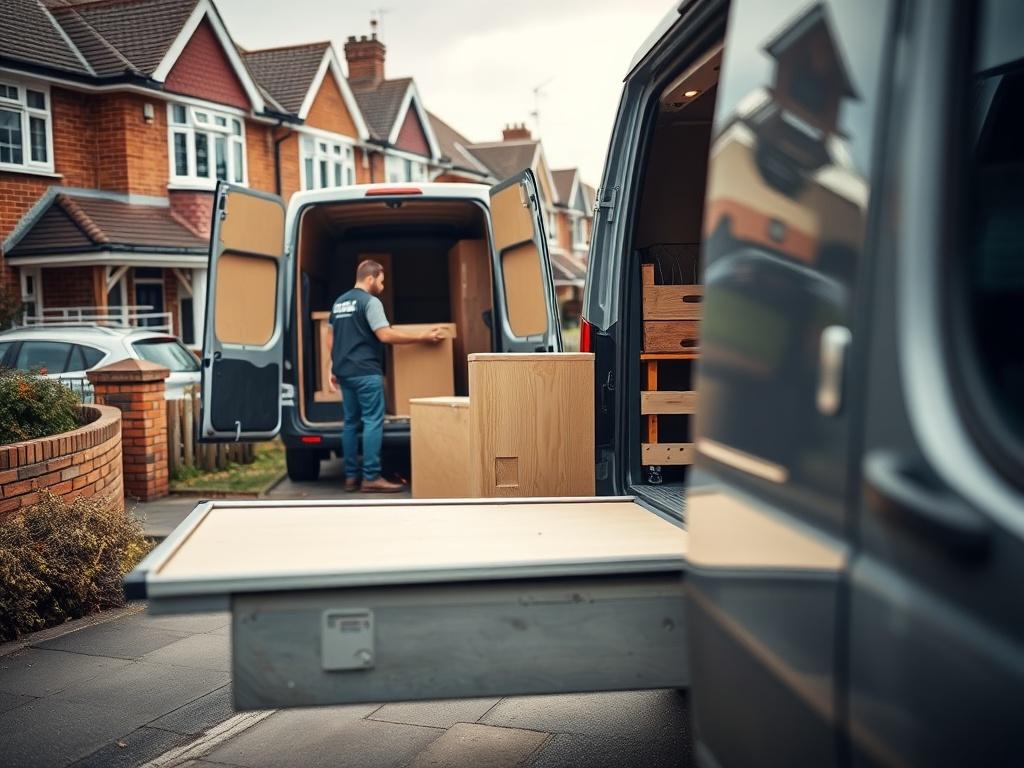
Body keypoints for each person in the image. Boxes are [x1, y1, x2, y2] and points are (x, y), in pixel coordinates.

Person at [329, 259, 443, 492]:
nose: (382, 286)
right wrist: (422, 337)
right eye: (381, 281)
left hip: (344, 371)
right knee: (372, 421)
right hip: (365, 371)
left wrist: (332, 365)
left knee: (350, 423)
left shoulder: (339, 302)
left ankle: (351, 477)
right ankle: (371, 477)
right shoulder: (370, 302)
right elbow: (385, 335)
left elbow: (329, 335)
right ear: (370, 278)